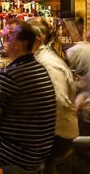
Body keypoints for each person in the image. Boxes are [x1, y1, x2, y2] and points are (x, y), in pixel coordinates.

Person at [0, 21, 56, 174]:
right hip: (39, 151)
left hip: (17, 155)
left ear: (18, 44)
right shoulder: (40, 69)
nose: (6, 41)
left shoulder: (10, 75)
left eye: (9, 37)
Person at [33, 18, 79, 165]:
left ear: (35, 41)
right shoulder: (42, 59)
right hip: (54, 133)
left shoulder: (47, 64)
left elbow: (58, 101)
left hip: (57, 136)